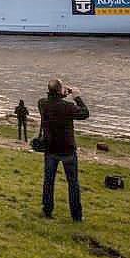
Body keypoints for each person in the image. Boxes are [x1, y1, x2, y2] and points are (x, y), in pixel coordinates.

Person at [37, 78, 89, 221]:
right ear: (60, 90)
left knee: (49, 181)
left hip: (50, 148)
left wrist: (61, 94)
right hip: (67, 149)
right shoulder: (68, 107)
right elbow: (85, 113)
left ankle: (47, 210)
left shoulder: (42, 103)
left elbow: (53, 102)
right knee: (73, 183)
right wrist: (77, 96)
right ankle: (76, 216)